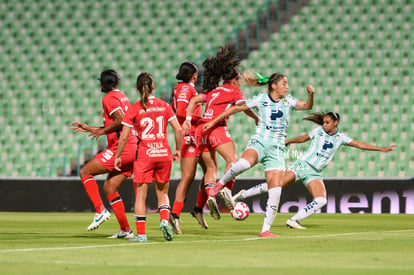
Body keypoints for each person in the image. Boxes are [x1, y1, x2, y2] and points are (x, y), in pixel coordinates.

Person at [231, 112, 396, 229]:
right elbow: (304, 137)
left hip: (314, 172)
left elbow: (360, 144)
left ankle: (294, 220)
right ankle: (243, 194)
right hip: (302, 164)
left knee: (321, 200)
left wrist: (381, 149)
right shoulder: (318, 131)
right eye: (323, 122)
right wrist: (289, 141)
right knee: (276, 186)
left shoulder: (341, 138)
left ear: (335, 123)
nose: (324, 125)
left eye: (327, 122)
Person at [204, 72, 315, 238]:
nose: (287, 86)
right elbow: (236, 108)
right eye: (284, 83)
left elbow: (307, 106)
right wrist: (212, 122)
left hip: (277, 150)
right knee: (243, 164)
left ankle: (265, 230)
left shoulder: (288, 100)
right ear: (274, 85)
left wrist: (310, 94)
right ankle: (218, 186)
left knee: (276, 191)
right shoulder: (261, 99)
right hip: (260, 142)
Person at [182, 47, 258, 220]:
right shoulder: (234, 91)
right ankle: (226, 190)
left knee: (211, 168)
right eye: (238, 79)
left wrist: (187, 118)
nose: (240, 82)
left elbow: (194, 100)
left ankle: (210, 196)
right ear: (234, 80)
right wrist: (256, 117)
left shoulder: (213, 91)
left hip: (201, 131)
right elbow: (242, 107)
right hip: (215, 127)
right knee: (232, 160)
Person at [114, 72, 182, 243]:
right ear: (154, 87)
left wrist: (117, 156)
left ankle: (142, 235)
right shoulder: (164, 105)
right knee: (163, 193)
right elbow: (178, 130)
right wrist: (178, 150)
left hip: (145, 155)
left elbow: (124, 137)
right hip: (163, 154)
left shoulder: (134, 108)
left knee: (140, 197)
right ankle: (165, 220)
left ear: (137, 88)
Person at [70, 69, 137, 238]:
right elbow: (120, 123)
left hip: (123, 148)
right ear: (117, 82)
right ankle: (126, 230)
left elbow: (120, 120)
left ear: (102, 83)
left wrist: (102, 131)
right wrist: (94, 129)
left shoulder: (108, 98)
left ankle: (100, 210)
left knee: (85, 172)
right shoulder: (122, 96)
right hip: (132, 146)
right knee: (110, 187)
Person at [169, 61, 209, 234]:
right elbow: (181, 112)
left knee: (209, 171)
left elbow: (173, 109)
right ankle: (175, 215)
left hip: (195, 134)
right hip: (191, 134)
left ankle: (198, 208)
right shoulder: (186, 89)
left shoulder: (179, 89)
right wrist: (190, 120)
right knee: (188, 177)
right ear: (194, 75)